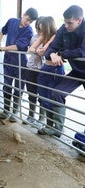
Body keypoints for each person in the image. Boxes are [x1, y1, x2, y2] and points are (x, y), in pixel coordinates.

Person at [37, 5, 85, 137]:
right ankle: (57, 129)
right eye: (65, 22)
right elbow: (51, 49)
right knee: (56, 93)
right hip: (77, 71)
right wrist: (52, 54)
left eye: (70, 23)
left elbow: (82, 51)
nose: (66, 25)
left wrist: (61, 54)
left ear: (79, 20)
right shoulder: (63, 29)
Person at [0, 7, 38, 123]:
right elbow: (3, 31)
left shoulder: (29, 31)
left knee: (18, 88)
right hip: (8, 61)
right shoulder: (11, 21)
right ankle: (6, 110)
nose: (27, 23)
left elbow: (17, 47)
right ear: (24, 14)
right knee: (7, 85)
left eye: (30, 22)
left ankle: (14, 112)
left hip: (20, 63)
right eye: (27, 19)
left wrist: (1, 48)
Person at [24, 16, 57, 126]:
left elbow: (43, 51)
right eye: (38, 27)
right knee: (31, 93)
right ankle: (31, 115)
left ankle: (41, 118)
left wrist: (39, 51)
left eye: (42, 28)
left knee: (43, 95)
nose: (40, 29)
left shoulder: (54, 37)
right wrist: (38, 51)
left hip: (44, 69)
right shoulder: (37, 37)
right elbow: (31, 49)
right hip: (31, 68)